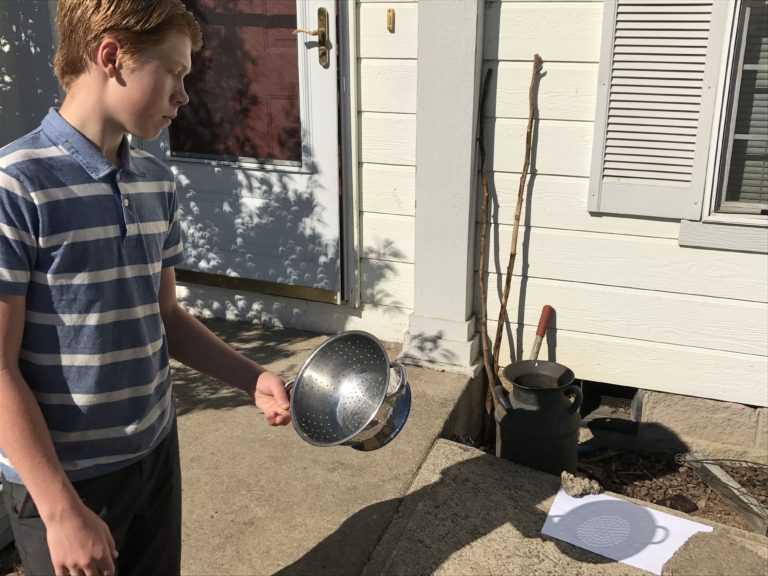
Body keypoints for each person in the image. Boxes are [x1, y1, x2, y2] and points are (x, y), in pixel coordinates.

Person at [0, 1, 292, 574]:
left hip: (155, 453)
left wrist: (252, 377)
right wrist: (60, 511)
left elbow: (164, 316)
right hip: (67, 481)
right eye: (175, 73)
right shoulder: (17, 186)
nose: (184, 95)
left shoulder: (155, 182)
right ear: (112, 57)